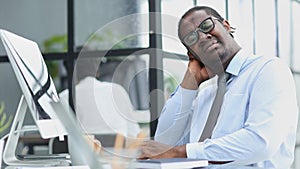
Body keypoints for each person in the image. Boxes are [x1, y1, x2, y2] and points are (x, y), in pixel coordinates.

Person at [138, 6, 299, 168]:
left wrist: (181, 152)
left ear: (226, 26)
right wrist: (189, 83)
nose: (202, 36)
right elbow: (164, 143)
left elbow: (261, 142)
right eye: (192, 38)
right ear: (192, 54)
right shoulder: (205, 94)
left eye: (206, 25)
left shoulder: (267, 70)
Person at [59, 57, 141, 145]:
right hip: (119, 154)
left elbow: (62, 134)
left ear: (69, 72)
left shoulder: (65, 96)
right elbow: (134, 132)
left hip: (84, 154)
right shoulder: (116, 90)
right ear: (97, 69)